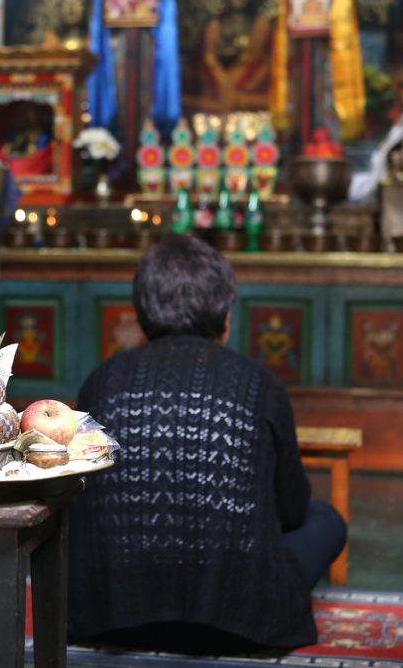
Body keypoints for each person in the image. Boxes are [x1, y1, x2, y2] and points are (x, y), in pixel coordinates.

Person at [68, 234, 346, 653]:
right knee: (326, 519)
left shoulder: (100, 383)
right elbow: (290, 512)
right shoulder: (261, 386)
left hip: (112, 618)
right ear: (226, 316)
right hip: (240, 622)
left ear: (140, 317)